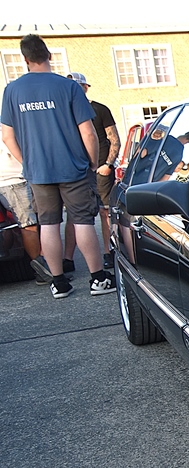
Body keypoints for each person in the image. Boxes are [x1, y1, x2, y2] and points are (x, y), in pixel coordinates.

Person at [0, 34, 114, 299]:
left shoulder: (12, 91)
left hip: (38, 172)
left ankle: (59, 283)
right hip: (72, 168)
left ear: (25, 59)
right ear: (49, 55)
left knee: (49, 224)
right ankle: (98, 279)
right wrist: (92, 162)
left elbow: (7, 136)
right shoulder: (69, 87)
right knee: (83, 221)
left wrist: (28, 163)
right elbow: (88, 133)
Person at [66, 72, 119, 270]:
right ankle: (68, 259)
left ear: (85, 87)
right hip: (77, 171)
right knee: (75, 216)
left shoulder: (99, 109)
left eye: (78, 86)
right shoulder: (64, 111)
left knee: (105, 212)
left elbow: (114, 138)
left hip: (100, 169)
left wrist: (108, 164)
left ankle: (109, 252)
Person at [1, 140, 57, 284]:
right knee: (28, 225)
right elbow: (9, 141)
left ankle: (46, 266)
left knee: (34, 222)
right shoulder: (6, 129)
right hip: (12, 180)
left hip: (13, 179)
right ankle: (42, 270)